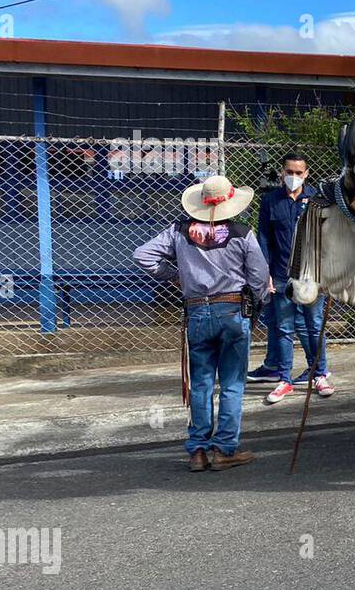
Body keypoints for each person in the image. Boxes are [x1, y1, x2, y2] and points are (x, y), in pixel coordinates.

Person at [134, 174, 269, 472]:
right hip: (233, 311)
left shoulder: (178, 231)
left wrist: (175, 275)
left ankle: (197, 451)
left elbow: (142, 255)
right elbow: (259, 278)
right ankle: (224, 449)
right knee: (232, 384)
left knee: (201, 384)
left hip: (196, 311)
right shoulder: (242, 234)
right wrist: (259, 305)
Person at [248, 152, 334, 404]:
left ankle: (319, 374)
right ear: (282, 172)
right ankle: (284, 380)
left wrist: (326, 275)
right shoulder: (270, 201)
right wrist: (266, 274)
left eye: (299, 173)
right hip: (281, 275)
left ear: (306, 174)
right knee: (284, 328)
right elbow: (264, 237)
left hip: (312, 276)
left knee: (314, 325)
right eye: (289, 172)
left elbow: (329, 239)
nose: (294, 177)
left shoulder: (318, 200)